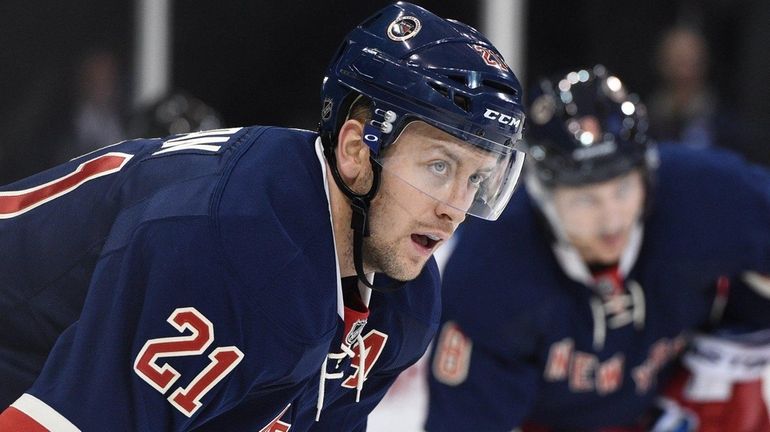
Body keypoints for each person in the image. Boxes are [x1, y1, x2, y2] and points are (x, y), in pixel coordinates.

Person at [0, 2, 526, 430]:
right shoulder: (229, 243)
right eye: (439, 166)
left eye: (477, 180)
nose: (455, 208)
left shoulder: (404, 300)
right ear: (355, 151)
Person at [426, 65, 770, 431]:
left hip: (684, 389)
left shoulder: (700, 191)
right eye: (586, 200)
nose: (611, 221)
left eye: (622, 191)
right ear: (544, 195)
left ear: (648, 176)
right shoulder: (492, 267)